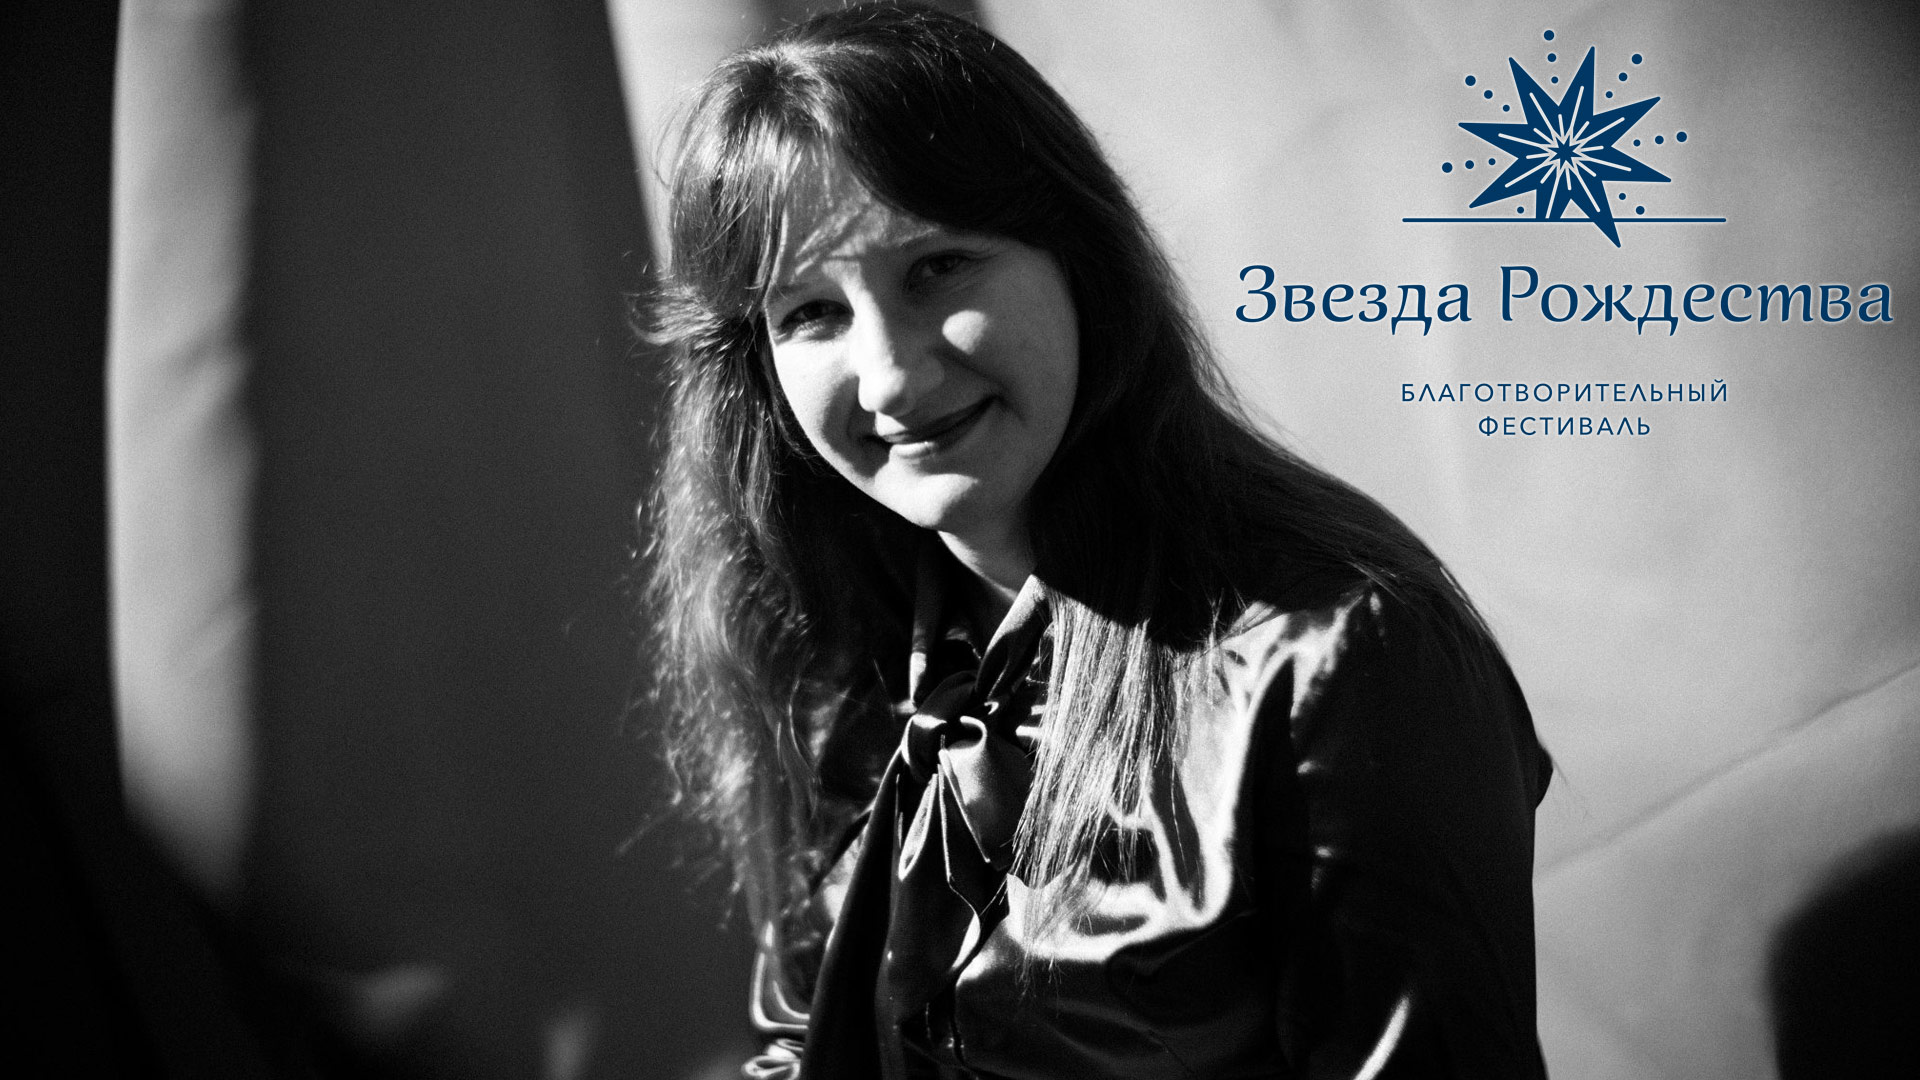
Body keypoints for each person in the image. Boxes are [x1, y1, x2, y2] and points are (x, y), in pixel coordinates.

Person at [643, 5, 1553, 1077]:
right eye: (811, 313)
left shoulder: (1345, 655)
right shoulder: (829, 646)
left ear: (1079, 258)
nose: (889, 376)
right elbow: (807, 1041)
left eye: (937, 267)